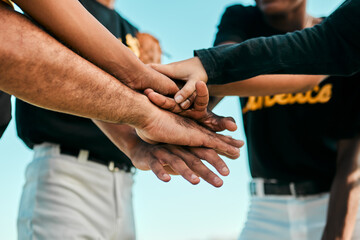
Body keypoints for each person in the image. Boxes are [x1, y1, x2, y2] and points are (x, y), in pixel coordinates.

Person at [0, 1, 243, 183]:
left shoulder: (133, 32)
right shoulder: (69, 10)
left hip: (124, 172)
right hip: (66, 166)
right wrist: (140, 79)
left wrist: (136, 136)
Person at [208, 0, 360, 239]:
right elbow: (219, 68)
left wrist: (337, 235)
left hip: (335, 201)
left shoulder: (340, 37)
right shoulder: (243, 20)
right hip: (265, 210)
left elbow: (352, 155)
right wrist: (180, 116)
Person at [149, 0, 360, 106]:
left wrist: (181, 83)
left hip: (330, 183)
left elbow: (309, 76)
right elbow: (223, 63)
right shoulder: (241, 19)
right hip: (262, 187)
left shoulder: (338, 41)